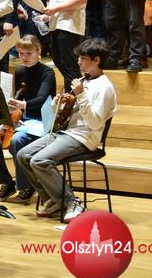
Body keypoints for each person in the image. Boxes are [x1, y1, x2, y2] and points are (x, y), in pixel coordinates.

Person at [17, 38, 116, 222]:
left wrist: (81, 95)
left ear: (96, 60)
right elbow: (63, 115)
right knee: (23, 155)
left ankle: (72, 202)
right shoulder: (82, 81)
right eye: (78, 58)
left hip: (84, 137)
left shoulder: (105, 87)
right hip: (66, 133)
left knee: (39, 160)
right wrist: (57, 105)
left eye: (83, 58)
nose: (78, 62)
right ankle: (54, 200)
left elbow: (95, 123)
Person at [0, 35, 56, 203]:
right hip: (24, 121)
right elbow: (17, 99)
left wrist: (22, 105)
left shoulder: (47, 73)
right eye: (21, 53)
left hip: (42, 122)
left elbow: (42, 99)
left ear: (38, 51)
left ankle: (26, 185)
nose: (24, 57)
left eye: (29, 53)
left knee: (17, 141)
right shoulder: (20, 71)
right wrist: (11, 108)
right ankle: (6, 181)